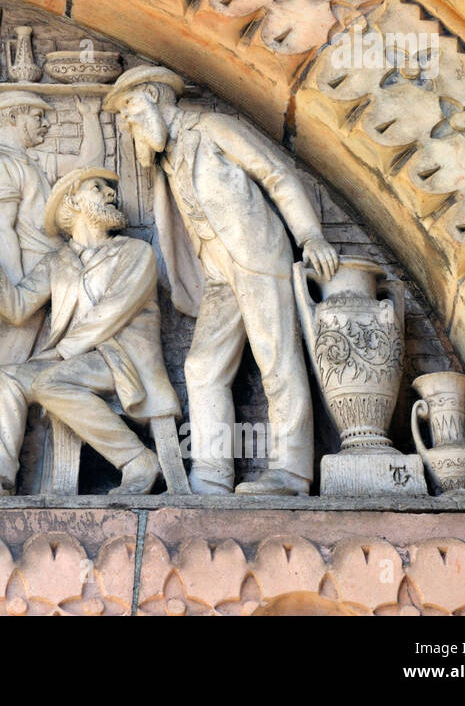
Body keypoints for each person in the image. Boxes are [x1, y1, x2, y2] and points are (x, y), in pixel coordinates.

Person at [104, 65, 339, 496]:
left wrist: (310, 236)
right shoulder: (166, 157)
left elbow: (276, 174)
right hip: (216, 272)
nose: (127, 121)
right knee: (201, 366)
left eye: (130, 107)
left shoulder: (213, 127)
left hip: (257, 255)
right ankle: (211, 476)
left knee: (277, 359)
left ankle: (291, 471)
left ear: (155, 96)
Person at [0, 168, 184, 496]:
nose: (110, 194)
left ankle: (138, 460)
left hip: (124, 359)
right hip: (77, 362)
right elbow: (18, 307)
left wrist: (59, 354)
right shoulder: (58, 261)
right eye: (97, 187)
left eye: (109, 189)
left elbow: (113, 311)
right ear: (72, 202)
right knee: (6, 377)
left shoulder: (135, 253)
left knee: (49, 381)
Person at [0, 90, 103, 493]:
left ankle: (32, 479)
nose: (45, 124)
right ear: (12, 118)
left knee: (33, 381)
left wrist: (90, 113)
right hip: (22, 287)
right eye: (37, 117)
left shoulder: (33, 162)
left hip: (48, 288)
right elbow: (2, 229)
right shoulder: (1, 164)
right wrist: (10, 295)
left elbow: (87, 165)